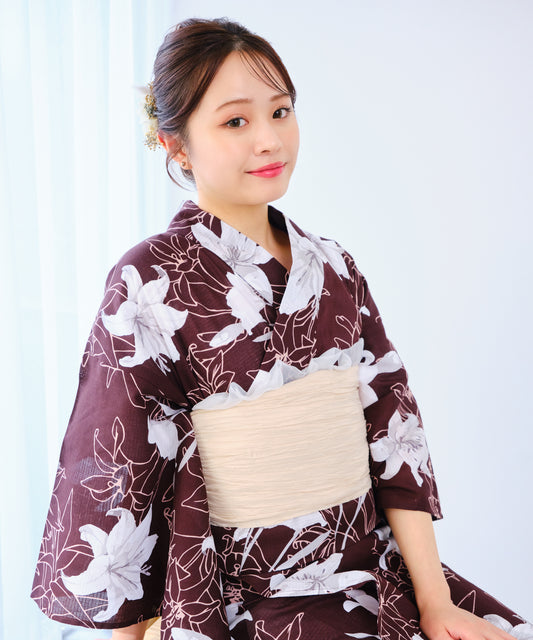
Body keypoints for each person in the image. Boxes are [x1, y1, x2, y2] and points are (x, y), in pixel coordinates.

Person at [31, 17, 532, 640]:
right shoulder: (147, 281)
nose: (270, 140)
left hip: (372, 578)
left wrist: (435, 603)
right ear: (175, 144)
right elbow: (126, 469)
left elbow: (393, 429)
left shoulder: (335, 266)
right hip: (238, 600)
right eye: (235, 122)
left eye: (281, 111)